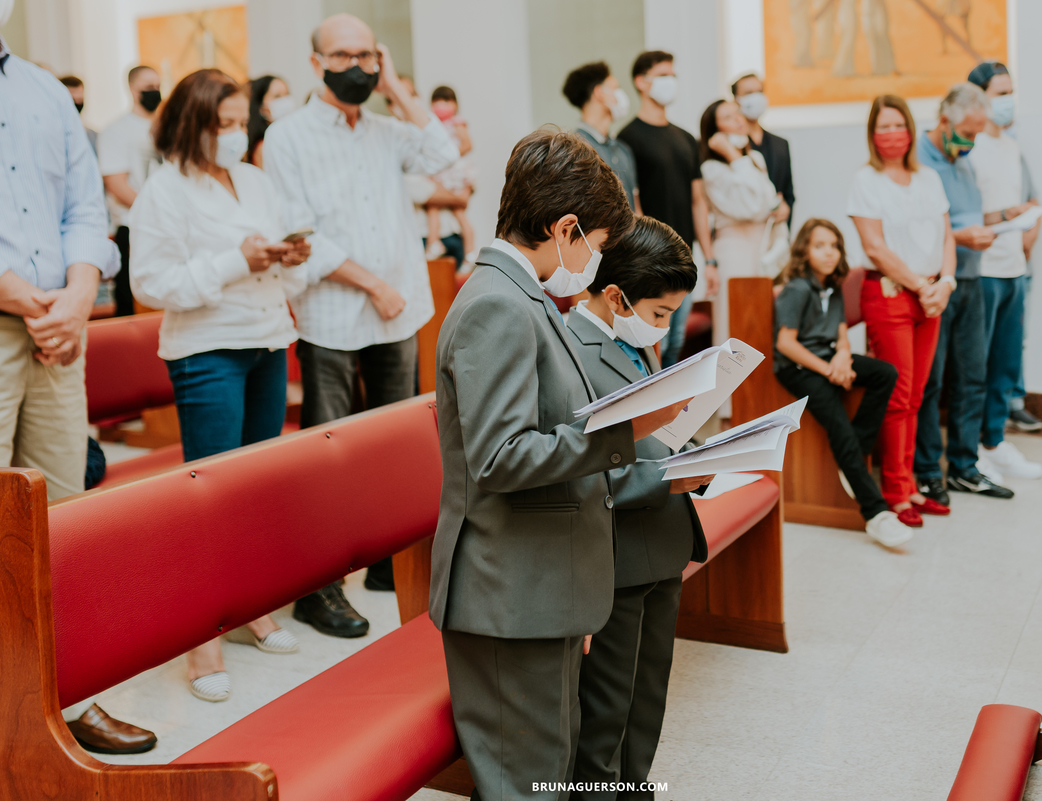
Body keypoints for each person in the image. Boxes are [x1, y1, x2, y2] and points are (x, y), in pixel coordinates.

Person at [430, 129, 690, 801]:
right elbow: (499, 455)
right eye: (596, 246)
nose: (594, 262)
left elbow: (545, 423)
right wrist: (623, 433)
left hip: (538, 581)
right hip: (507, 590)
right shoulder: (497, 302)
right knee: (526, 779)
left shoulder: (524, 297)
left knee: (549, 765)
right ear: (565, 227)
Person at [264, 13, 458, 637]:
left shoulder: (384, 129)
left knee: (394, 443)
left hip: (397, 311)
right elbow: (299, 233)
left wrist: (398, 85)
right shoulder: (287, 136)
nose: (357, 67)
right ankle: (319, 587)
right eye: (343, 56)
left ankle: (385, 560)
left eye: (367, 56)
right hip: (334, 313)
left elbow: (445, 154)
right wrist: (372, 283)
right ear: (316, 63)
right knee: (332, 451)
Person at [0, 16, 156, 755]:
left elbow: (87, 209)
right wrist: (25, 297)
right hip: (12, 316)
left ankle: (73, 699)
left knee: (65, 519)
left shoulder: (42, 90)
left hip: (62, 324)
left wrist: (75, 293)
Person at [129, 68, 309, 702]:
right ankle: (199, 636)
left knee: (251, 487)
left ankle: (248, 608)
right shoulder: (164, 189)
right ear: (192, 123)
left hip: (264, 339)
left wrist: (287, 258)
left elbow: (269, 253)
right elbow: (149, 284)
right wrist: (241, 260)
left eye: (241, 123)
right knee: (206, 494)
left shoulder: (254, 179)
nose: (236, 135)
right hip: (207, 349)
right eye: (223, 124)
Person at [565, 216, 711, 799]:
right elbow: (582, 466)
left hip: (664, 544)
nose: (666, 327)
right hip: (617, 552)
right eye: (658, 313)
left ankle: (635, 785)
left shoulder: (633, 342)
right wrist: (668, 479)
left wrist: (704, 456)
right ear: (615, 293)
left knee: (648, 693)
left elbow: (656, 433)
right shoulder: (572, 350)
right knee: (608, 703)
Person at [847, 95, 955, 528]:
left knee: (918, 395)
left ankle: (910, 485)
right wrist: (921, 286)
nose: (891, 134)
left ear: (911, 130)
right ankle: (894, 490)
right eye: (882, 127)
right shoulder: (866, 180)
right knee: (897, 395)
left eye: (898, 125)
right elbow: (874, 246)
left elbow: (948, 236)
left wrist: (944, 283)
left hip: (932, 294)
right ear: (873, 135)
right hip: (891, 294)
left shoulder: (929, 177)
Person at [773, 219, 909, 547]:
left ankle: (856, 453)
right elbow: (785, 344)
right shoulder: (797, 288)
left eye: (834, 245)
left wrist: (843, 359)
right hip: (798, 367)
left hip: (827, 360)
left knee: (885, 373)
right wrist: (828, 369)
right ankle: (876, 514)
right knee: (838, 425)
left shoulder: (832, 287)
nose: (829, 253)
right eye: (820, 245)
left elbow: (842, 334)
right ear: (804, 251)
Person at [914, 83, 1017, 504]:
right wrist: (961, 236)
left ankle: (963, 466)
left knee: (973, 376)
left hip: (972, 279)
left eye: (978, 133)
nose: (973, 142)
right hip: (938, 283)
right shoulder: (919, 160)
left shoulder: (963, 159)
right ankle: (926, 471)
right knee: (932, 381)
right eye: (968, 133)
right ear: (944, 122)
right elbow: (918, 228)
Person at [965, 61, 1042, 480]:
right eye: (1001, 93)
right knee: (977, 365)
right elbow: (963, 213)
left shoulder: (1012, 148)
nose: (1008, 101)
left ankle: (995, 441)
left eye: (1011, 91)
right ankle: (970, 449)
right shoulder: (970, 148)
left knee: (1007, 363)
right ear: (978, 98)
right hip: (983, 270)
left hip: (1015, 266)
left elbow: (1025, 200)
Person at [618, 50, 717, 366]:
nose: (670, 82)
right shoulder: (628, 138)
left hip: (684, 257)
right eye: (663, 75)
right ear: (641, 82)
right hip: (650, 259)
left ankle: (670, 415)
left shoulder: (686, 139)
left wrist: (709, 258)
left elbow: (698, 201)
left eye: (672, 75)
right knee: (652, 342)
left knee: (675, 343)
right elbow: (632, 202)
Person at [698, 98, 779, 418]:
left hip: (762, 250)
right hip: (733, 250)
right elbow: (751, 207)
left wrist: (769, 204)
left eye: (738, 114)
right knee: (732, 328)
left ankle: (759, 401)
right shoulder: (712, 168)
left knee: (763, 325)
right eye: (728, 118)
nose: (739, 120)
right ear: (715, 131)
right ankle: (730, 409)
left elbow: (769, 202)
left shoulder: (756, 158)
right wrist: (732, 155)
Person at [98, 65, 162, 317]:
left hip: (167, 226)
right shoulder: (116, 130)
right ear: (133, 90)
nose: (155, 92)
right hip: (133, 226)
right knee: (131, 303)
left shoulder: (166, 127)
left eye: (157, 86)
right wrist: (153, 211)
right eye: (148, 88)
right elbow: (116, 184)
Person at [562, 60, 639, 211]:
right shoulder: (573, 151)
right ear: (600, 93)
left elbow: (636, 209)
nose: (621, 96)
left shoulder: (623, 150)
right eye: (616, 88)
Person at [731, 73, 793, 228]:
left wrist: (786, 210)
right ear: (735, 100)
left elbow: (788, 193)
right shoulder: (730, 144)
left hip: (775, 229)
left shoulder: (780, 144)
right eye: (748, 93)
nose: (756, 97)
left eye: (759, 91)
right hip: (744, 230)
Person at [424, 86, 476, 262]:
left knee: (458, 211)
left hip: (453, 172)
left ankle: (470, 251)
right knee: (433, 207)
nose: (441, 105)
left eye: (446, 101)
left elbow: (467, 144)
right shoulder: (433, 125)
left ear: (455, 104)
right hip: (441, 171)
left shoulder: (456, 122)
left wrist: (446, 157)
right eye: (437, 101)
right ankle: (434, 243)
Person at [247, 74, 294, 168]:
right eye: (277, 96)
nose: (284, 101)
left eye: (287, 94)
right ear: (261, 107)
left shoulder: (289, 137)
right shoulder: (263, 146)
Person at [58, 75, 97, 153]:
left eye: (80, 99)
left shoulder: (92, 136)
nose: (77, 103)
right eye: (73, 99)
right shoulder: (54, 134)